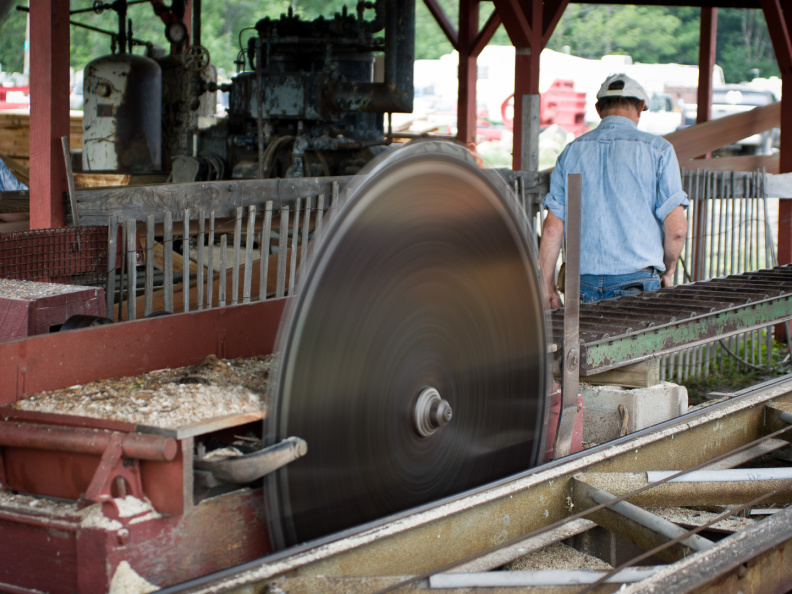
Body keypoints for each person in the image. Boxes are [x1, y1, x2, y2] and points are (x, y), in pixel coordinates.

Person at [539, 73, 689, 309]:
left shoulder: (571, 152)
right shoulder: (659, 150)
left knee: (583, 347)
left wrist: (547, 288)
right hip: (637, 282)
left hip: (581, 284)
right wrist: (668, 270)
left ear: (599, 110)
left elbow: (551, 229)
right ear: (640, 107)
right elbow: (677, 230)